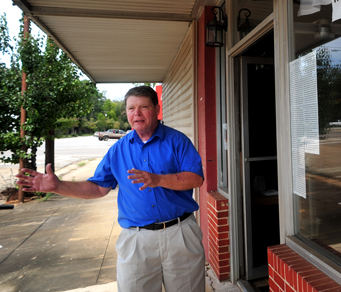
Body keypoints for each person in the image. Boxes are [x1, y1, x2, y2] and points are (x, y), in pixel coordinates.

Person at [16, 86, 205, 292]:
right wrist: (59, 186)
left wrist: (158, 179)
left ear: (156, 109)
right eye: (131, 108)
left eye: (143, 107)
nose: (137, 113)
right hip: (136, 239)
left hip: (180, 234)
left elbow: (195, 179)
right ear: (126, 112)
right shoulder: (118, 149)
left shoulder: (178, 141)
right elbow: (98, 188)